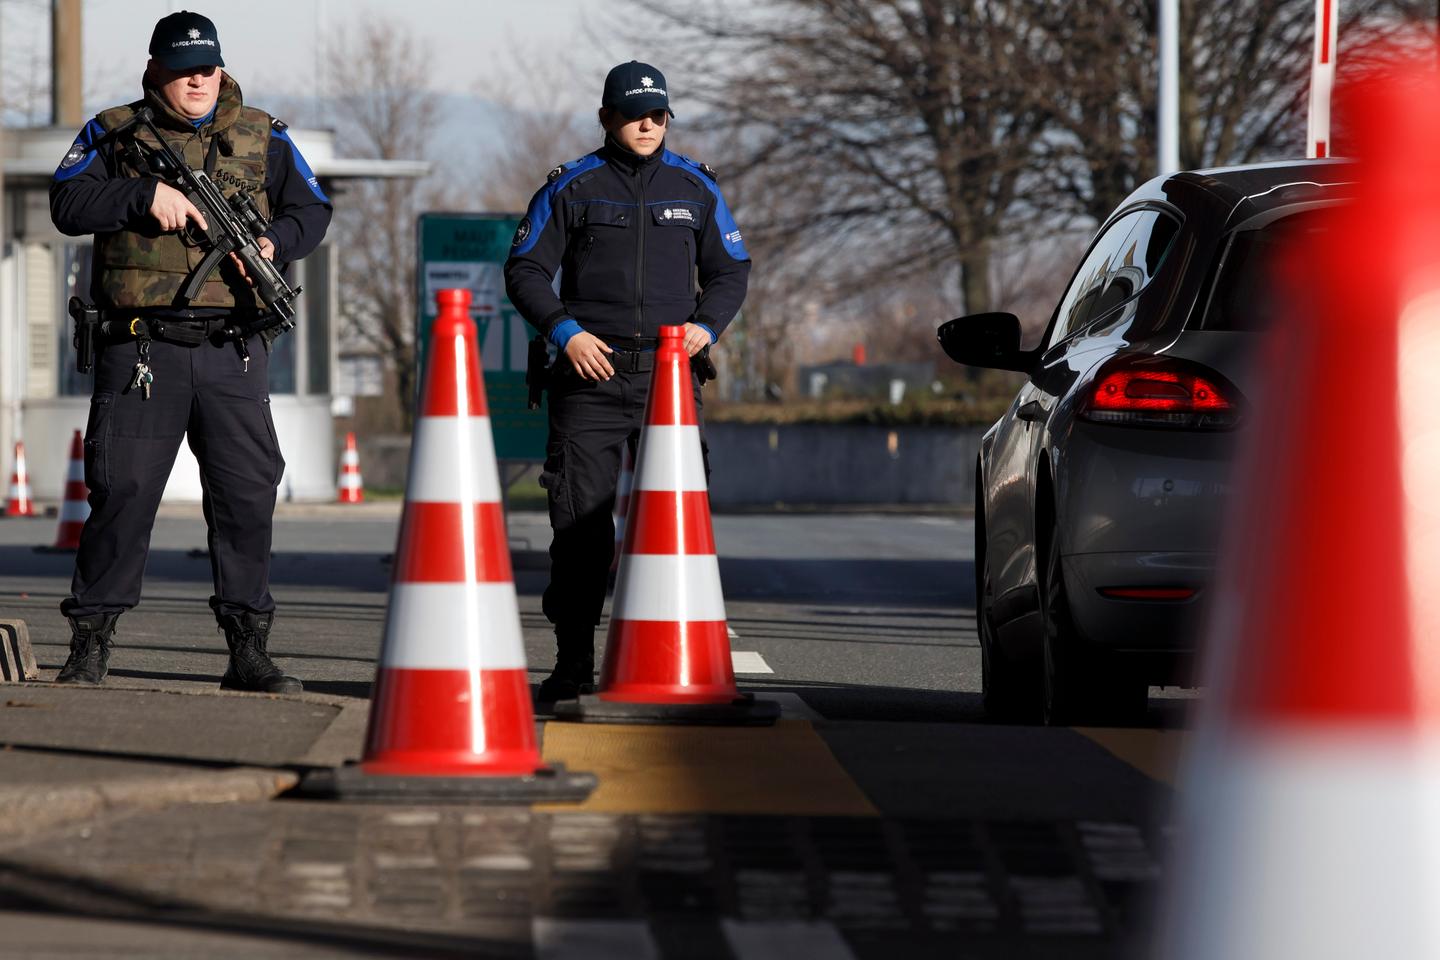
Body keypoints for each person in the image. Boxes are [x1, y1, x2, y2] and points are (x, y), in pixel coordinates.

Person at [48, 10, 332, 690]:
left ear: (220, 69)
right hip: (143, 349)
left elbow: (312, 210)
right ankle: (90, 644)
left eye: (206, 68)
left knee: (246, 495)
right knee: (123, 492)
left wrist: (273, 243)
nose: (198, 81)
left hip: (233, 348)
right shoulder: (113, 132)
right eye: (183, 70)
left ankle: (248, 650)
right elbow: (67, 203)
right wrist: (142, 195)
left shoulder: (263, 134)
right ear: (155, 71)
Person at [505, 61, 752, 702]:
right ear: (606, 117)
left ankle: (671, 661)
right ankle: (572, 662)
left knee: (673, 524)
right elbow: (525, 268)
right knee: (581, 529)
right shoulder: (573, 185)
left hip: (669, 381)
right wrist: (566, 332)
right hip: (590, 376)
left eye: (659, 114)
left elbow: (731, 270)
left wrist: (706, 327)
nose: (648, 124)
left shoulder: (696, 186)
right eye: (635, 114)